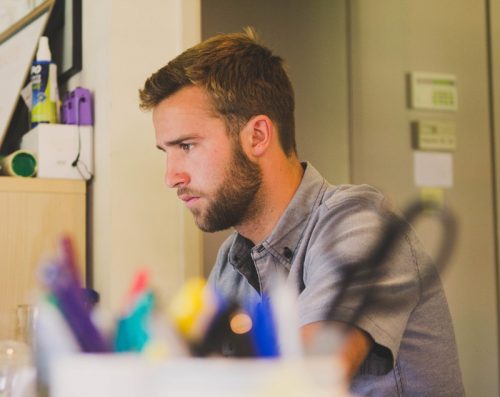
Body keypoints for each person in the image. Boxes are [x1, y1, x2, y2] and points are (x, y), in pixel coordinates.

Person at [139, 29, 464, 396]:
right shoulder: (232, 263)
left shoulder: (359, 223)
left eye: (186, 146)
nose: (171, 176)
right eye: (165, 152)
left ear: (258, 136)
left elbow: (310, 379)